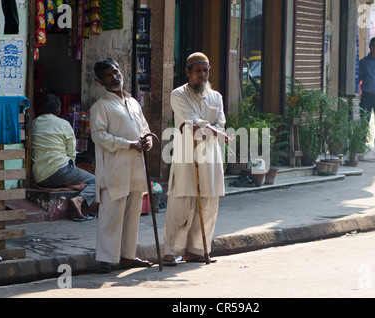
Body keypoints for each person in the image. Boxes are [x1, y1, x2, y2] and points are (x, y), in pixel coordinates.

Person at [162, 52, 232, 266]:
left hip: (210, 156)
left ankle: (197, 250)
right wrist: (210, 130)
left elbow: (220, 124)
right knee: (182, 203)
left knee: (209, 203)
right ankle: (171, 252)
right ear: (188, 72)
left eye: (206, 70)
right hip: (186, 156)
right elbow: (190, 122)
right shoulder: (178, 95)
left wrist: (207, 129)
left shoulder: (216, 96)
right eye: (198, 71)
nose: (203, 75)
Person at [90, 58, 153, 273]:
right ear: (101, 82)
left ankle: (127, 256)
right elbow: (98, 136)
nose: (115, 77)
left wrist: (147, 141)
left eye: (117, 72)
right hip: (115, 167)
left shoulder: (134, 102)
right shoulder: (101, 106)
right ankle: (106, 259)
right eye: (109, 75)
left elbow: (144, 128)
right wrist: (127, 144)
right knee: (111, 212)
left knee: (132, 213)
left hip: (135, 166)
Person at [31, 94, 96, 221]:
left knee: (69, 174)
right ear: (59, 110)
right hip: (61, 171)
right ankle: (79, 200)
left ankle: (74, 184)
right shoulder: (64, 124)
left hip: (39, 177)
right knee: (97, 180)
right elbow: (71, 153)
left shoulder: (34, 123)